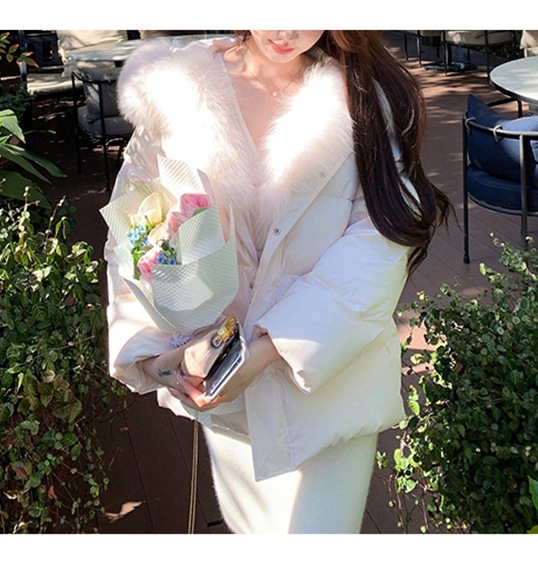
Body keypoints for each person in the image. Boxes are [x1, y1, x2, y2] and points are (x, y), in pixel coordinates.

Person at [103, 30, 452, 533]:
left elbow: (378, 246)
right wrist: (158, 356)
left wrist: (268, 349)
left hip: (328, 389)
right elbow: (132, 234)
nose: (287, 28)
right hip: (225, 396)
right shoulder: (173, 90)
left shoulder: (363, 96)